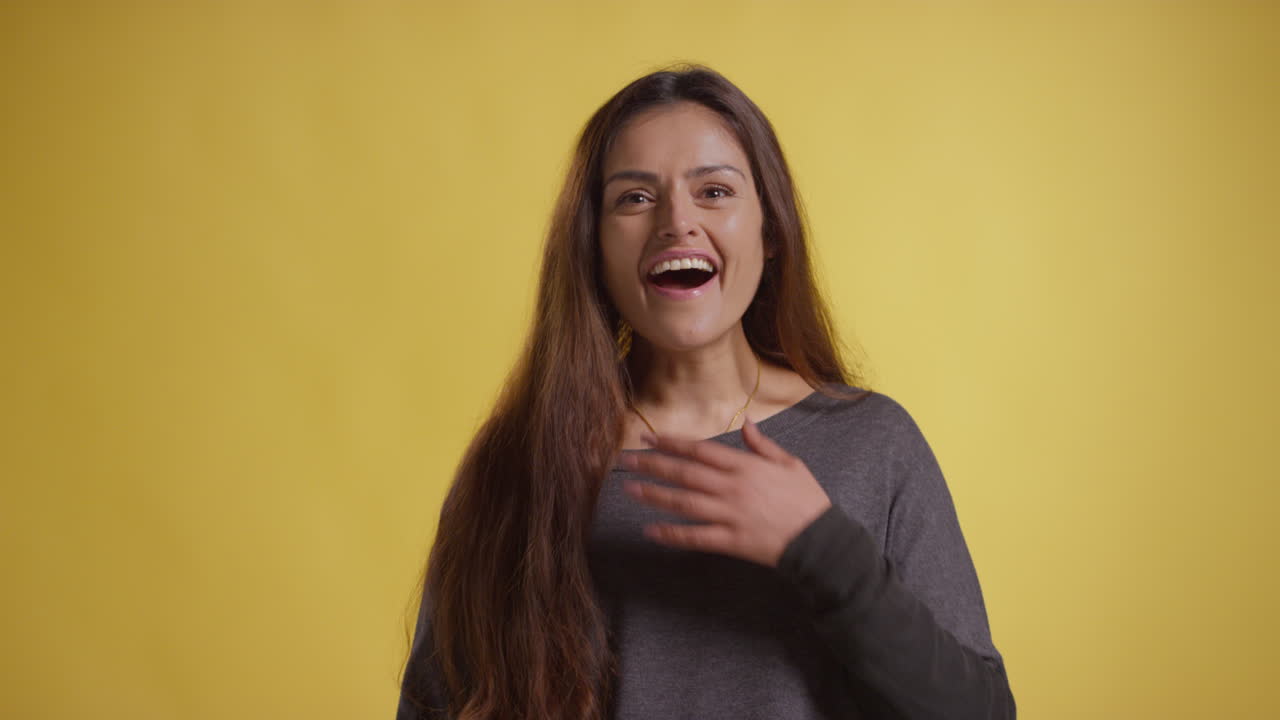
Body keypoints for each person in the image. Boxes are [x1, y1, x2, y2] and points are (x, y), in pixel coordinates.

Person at [396, 64, 1015, 719]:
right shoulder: (515, 463)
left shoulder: (872, 443)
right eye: (635, 198)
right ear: (593, 247)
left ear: (770, 232)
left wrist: (821, 547)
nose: (676, 222)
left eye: (714, 191)